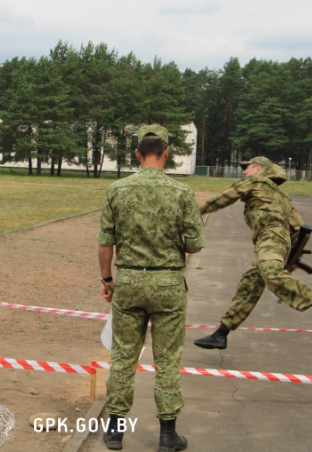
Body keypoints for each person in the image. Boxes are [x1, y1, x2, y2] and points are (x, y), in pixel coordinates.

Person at [97, 124, 205, 452]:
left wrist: (107, 279)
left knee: (123, 356)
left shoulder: (117, 190)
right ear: (167, 153)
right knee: (167, 359)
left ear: (137, 154)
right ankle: (167, 435)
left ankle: (115, 431)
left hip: (129, 281)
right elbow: (195, 245)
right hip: (168, 284)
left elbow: (105, 244)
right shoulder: (182, 192)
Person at [193, 156, 312, 351]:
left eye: (247, 168)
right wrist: (291, 256)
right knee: (250, 285)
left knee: (271, 274)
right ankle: (221, 334)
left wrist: (196, 211)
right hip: (278, 239)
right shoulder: (281, 195)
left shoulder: (255, 181)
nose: (243, 172)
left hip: (270, 235)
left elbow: (223, 198)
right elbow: (298, 227)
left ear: (258, 168)